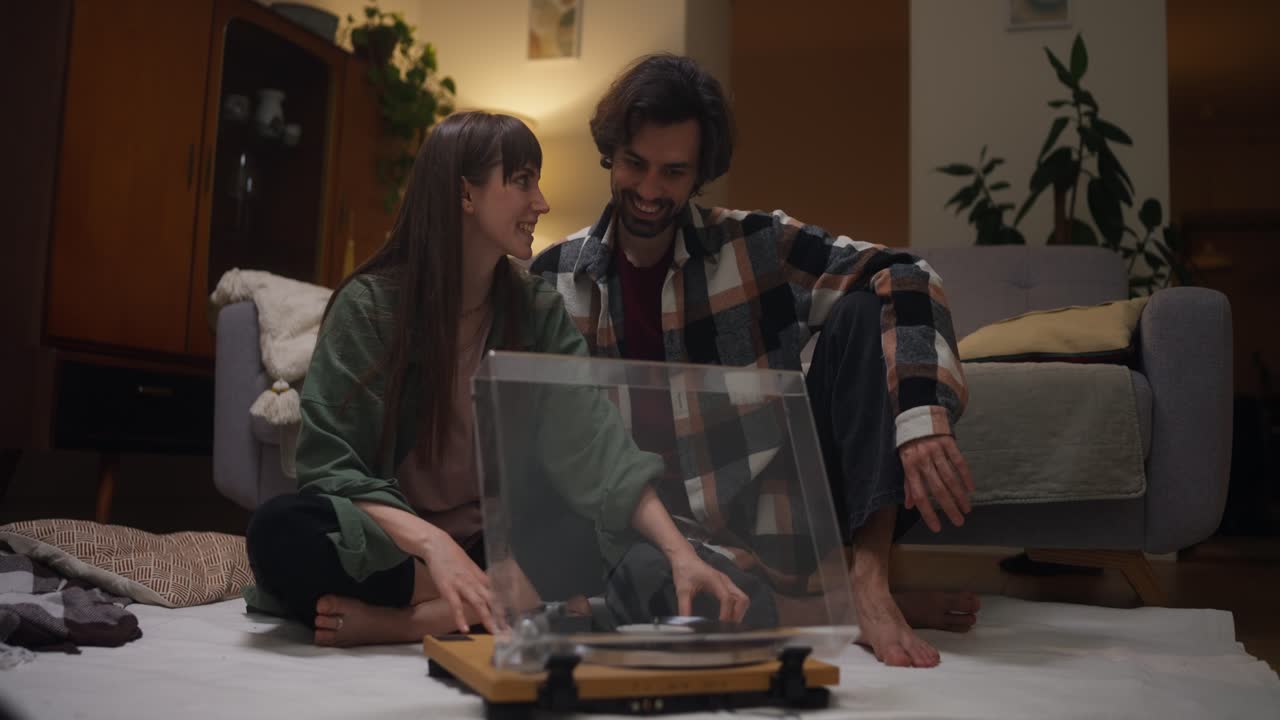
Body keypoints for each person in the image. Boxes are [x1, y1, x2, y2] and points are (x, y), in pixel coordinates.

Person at [530, 55, 980, 668]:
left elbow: (904, 272)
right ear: (611, 153)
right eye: (635, 164)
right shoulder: (553, 276)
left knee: (862, 309)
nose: (650, 190)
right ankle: (827, 606)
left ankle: (870, 581)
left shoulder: (756, 244)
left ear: (700, 174)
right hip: (649, 532)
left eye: (673, 171)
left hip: (779, 519)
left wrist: (922, 413)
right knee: (632, 597)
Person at [244, 111, 748, 648]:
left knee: (595, 530)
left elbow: (600, 449)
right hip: (400, 545)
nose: (541, 203)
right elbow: (332, 470)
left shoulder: (537, 310)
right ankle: (478, 601)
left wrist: (681, 555)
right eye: (523, 181)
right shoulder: (368, 307)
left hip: (500, 544)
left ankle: (416, 620)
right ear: (466, 194)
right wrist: (435, 547)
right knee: (280, 530)